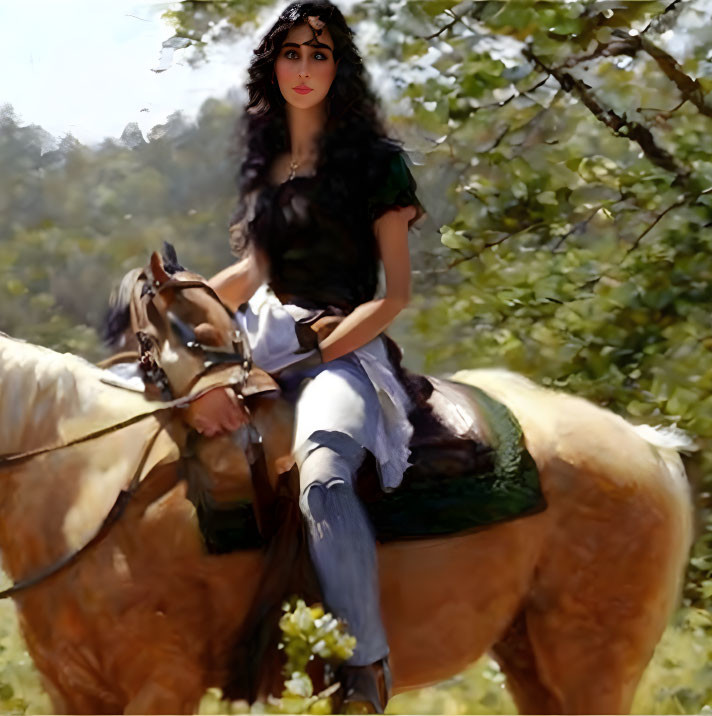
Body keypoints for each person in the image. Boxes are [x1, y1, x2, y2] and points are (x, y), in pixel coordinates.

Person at [187, 2, 425, 711]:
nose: (304, 68)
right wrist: (183, 303)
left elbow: (394, 296)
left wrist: (311, 353)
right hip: (258, 342)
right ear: (272, 65)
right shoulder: (267, 170)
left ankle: (364, 671)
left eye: (319, 55)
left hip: (338, 352)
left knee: (321, 476)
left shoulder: (377, 167)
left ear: (339, 68)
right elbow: (249, 278)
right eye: (291, 53)